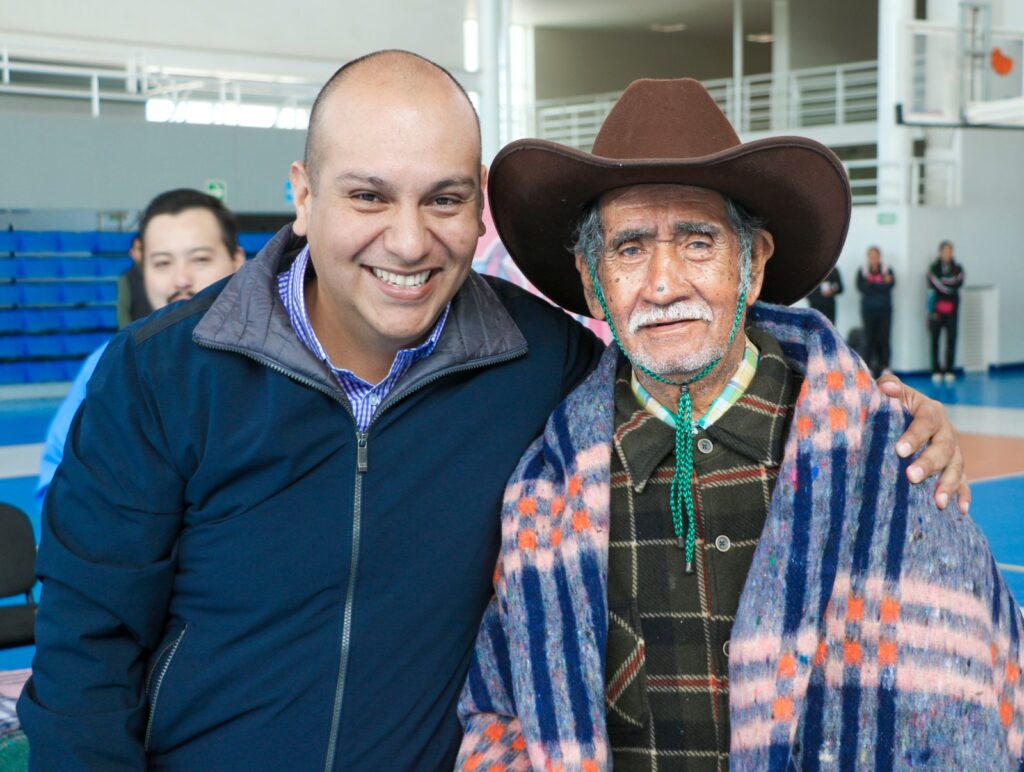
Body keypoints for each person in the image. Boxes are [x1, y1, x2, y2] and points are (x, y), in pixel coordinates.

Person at [18, 53, 965, 771]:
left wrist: (877, 404)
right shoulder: (159, 376)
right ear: (301, 197)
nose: (407, 240)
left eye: (443, 199)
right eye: (367, 195)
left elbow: (683, 346)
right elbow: (84, 661)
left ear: (478, 212)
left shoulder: (539, 361)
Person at [457, 78, 1019, 770]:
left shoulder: (891, 462)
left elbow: (973, 701)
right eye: (629, 249)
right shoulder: (545, 496)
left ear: (752, 266)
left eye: (698, 242)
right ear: (591, 281)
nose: (664, 284)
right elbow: (500, 713)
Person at [35, 189, 245, 510]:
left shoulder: (284, 358)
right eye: (162, 263)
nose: (181, 280)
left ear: (237, 261)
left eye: (200, 259)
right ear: (144, 271)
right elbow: (58, 486)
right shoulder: (108, 367)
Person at [928, 240, 965, 384]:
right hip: (937, 311)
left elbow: (956, 284)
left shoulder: (958, 268)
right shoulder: (933, 268)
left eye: (950, 251)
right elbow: (934, 285)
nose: (947, 254)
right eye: (945, 251)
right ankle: (936, 370)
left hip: (952, 311)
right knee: (935, 340)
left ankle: (949, 369)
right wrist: (948, 283)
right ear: (940, 252)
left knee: (951, 339)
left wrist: (943, 283)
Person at [856, 245, 895, 377]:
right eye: (871, 256)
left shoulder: (887, 270)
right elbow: (862, 288)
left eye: (875, 256)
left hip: (884, 311)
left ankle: (885, 367)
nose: (873, 258)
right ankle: (867, 367)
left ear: (879, 257)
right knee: (868, 339)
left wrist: (872, 284)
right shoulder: (862, 271)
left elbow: (889, 286)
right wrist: (880, 283)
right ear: (868, 257)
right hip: (868, 311)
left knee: (884, 338)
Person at [115, 237, 152, 329]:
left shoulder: (162, 277)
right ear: (132, 253)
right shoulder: (126, 279)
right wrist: (129, 335)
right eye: (140, 249)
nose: (144, 253)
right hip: (139, 333)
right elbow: (123, 312)